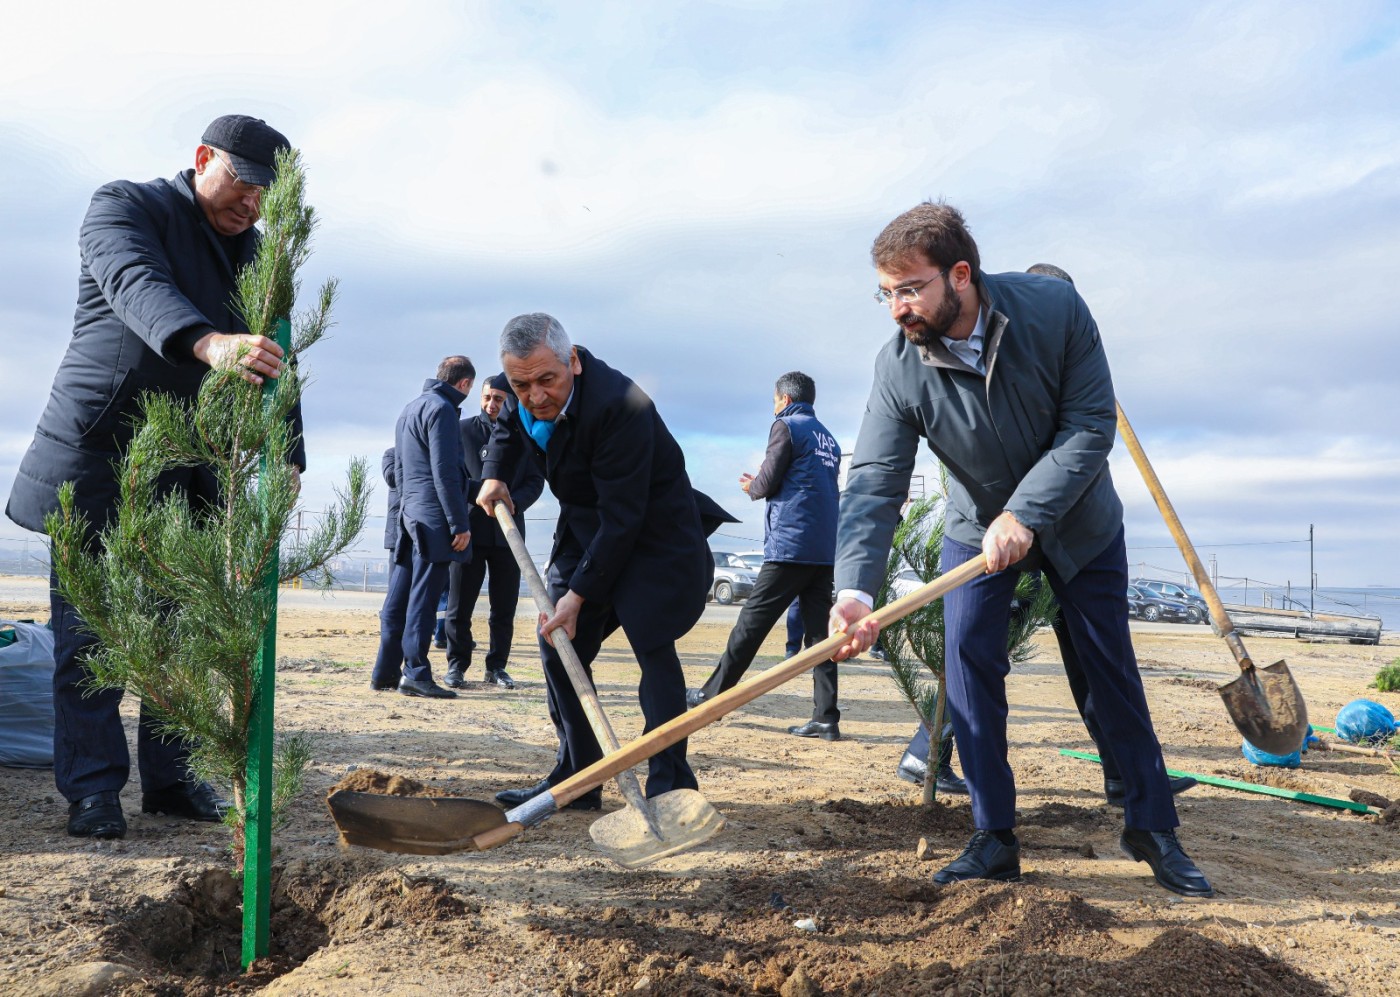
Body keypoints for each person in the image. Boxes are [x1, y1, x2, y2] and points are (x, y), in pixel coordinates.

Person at [829, 201, 1212, 898]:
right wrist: (854, 589)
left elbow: (1090, 425)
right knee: (970, 668)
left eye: (910, 288)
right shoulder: (899, 369)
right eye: (885, 292)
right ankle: (993, 835)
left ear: (962, 275)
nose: (896, 308)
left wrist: (1027, 512)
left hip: (1081, 523)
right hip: (977, 528)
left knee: (1108, 671)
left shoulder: (1055, 310)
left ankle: (1152, 826)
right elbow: (876, 480)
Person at [5, 114, 298, 839]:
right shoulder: (125, 207)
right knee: (93, 632)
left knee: (176, 631)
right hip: (100, 452)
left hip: (188, 463)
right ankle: (93, 790)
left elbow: (276, 352)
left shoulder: (256, 253)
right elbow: (137, 286)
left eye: (268, 193)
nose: (253, 204)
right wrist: (209, 342)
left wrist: (288, 450)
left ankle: (169, 782)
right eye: (245, 183)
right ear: (204, 158)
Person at [479, 314, 732, 810]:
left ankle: (670, 782)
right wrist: (493, 476)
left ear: (572, 361)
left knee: (650, 641)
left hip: (654, 534)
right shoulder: (525, 393)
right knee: (558, 642)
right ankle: (579, 775)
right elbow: (508, 432)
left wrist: (579, 595)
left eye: (546, 380)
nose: (535, 395)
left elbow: (624, 518)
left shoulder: (619, 405)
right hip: (586, 527)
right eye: (520, 384)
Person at [688, 373, 843, 739]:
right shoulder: (829, 438)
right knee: (820, 637)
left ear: (785, 400)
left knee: (750, 626)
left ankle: (712, 698)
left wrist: (750, 486)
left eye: (774, 401)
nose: (773, 408)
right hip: (823, 549)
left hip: (790, 546)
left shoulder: (786, 426)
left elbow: (768, 481)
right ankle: (826, 717)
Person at [377, 356, 476, 700]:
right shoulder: (443, 410)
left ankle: (384, 672)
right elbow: (445, 471)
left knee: (399, 597)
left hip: (408, 513)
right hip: (433, 519)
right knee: (423, 598)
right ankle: (416, 673)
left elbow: (401, 470)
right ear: (464, 384)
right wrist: (458, 523)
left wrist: (405, 510)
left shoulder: (410, 409)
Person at [443, 373, 545, 690]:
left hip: (509, 536)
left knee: (504, 608)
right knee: (460, 607)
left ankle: (497, 667)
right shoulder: (460, 431)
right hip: (468, 532)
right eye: (487, 397)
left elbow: (535, 481)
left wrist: (512, 505)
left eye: (499, 399)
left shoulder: (523, 436)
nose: (492, 404)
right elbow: (451, 477)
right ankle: (457, 665)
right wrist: (477, 498)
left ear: (508, 402)